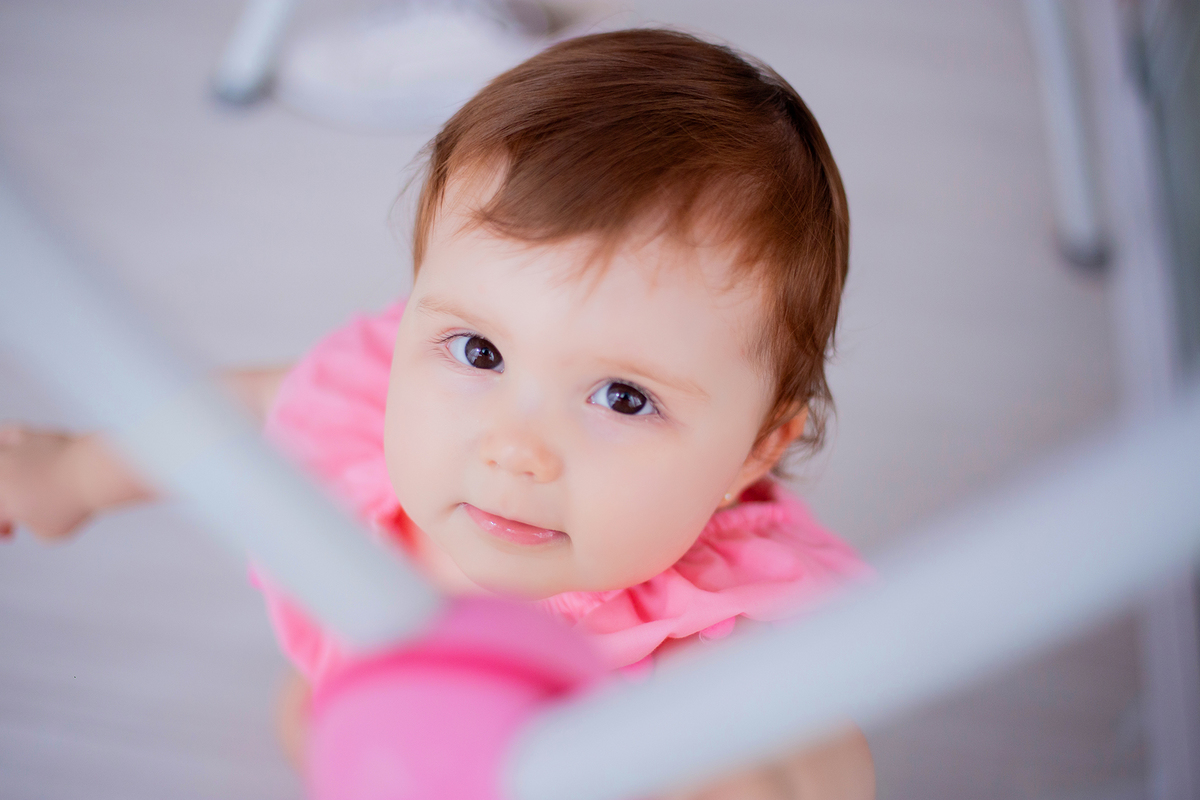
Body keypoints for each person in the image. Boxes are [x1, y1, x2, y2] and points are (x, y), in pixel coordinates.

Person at [0, 29, 875, 799]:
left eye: (624, 397)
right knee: (304, 710)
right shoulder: (377, 408)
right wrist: (72, 474)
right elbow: (238, 423)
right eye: (482, 353)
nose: (516, 446)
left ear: (754, 453)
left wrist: (752, 777)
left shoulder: (709, 643)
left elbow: (815, 744)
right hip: (383, 711)